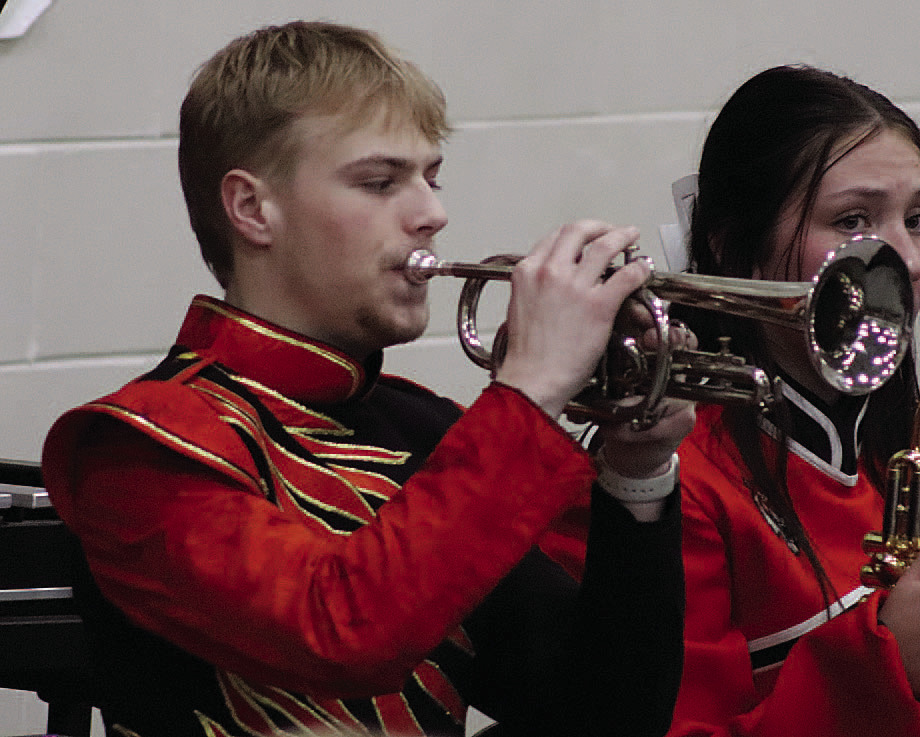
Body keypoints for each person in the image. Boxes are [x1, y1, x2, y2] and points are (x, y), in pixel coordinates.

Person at [40, 21, 695, 737]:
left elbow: (604, 715)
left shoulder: (423, 428)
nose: (433, 213)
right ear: (252, 209)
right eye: (380, 182)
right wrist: (531, 389)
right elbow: (341, 631)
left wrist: (638, 472)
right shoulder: (140, 448)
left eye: (431, 178)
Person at [543, 64, 920, 736]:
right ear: (730, 244)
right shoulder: (658, 478)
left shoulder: (897, 433)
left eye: (917, 220)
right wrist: (886, 656)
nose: (906, 259)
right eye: (852, 220)